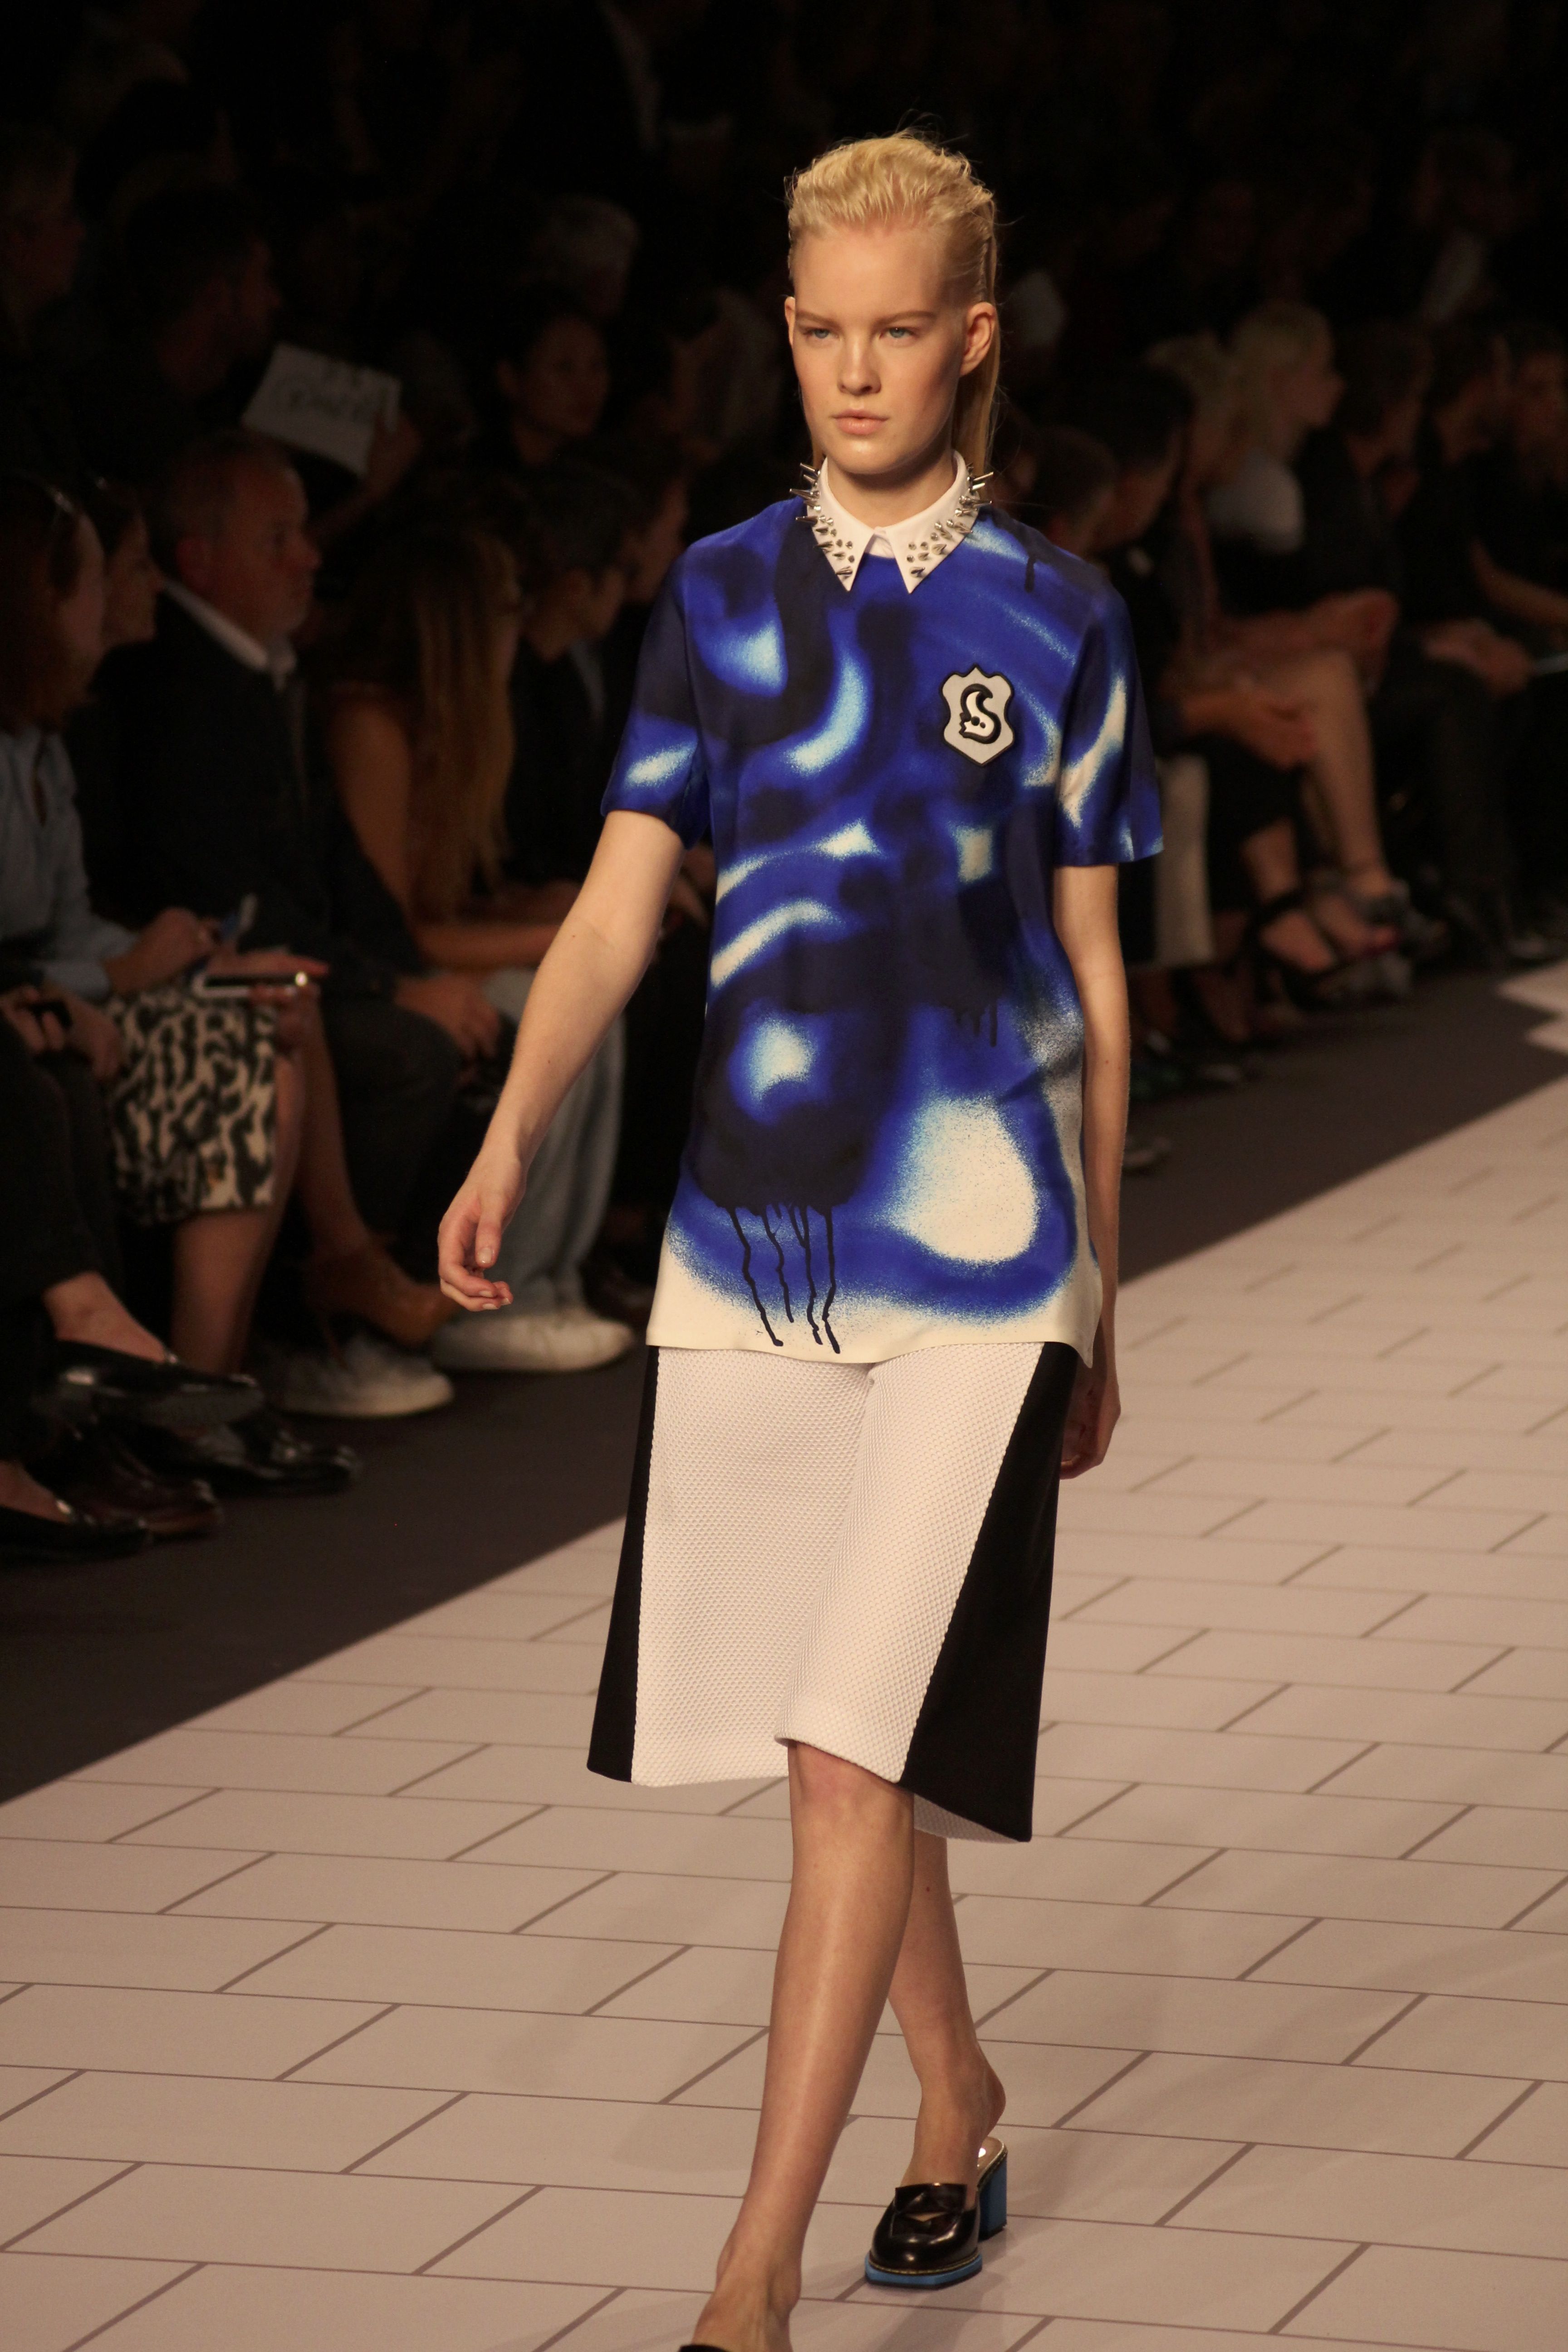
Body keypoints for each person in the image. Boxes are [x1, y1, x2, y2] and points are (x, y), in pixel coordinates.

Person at [440, 132, 1153, 2346]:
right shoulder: (720, 596)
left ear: (968, 338)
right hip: (748, 1241)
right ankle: (957, 2095)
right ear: (787, 331)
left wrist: (1104, 1289)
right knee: (835, 1722)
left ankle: (749, 2277)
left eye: (894, 332)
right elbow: (618, 905)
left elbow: (1094, 971)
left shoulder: (1060, 615)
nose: (854, 371)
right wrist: (509, 1126)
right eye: (820, 331)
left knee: (850, 1748)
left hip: (986, 1250)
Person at [323, 521, 634, 1375]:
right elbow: (393, 928)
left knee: (587, 1008)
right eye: (503, 606)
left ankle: (551, 1277)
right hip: (382, 971)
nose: (519, 622)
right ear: (455, 622)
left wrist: (535, 913)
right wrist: (557, 937)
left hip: (424, 954)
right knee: (553, 1001)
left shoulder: (455, 726)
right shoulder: (372, 727)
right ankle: (504, 1289)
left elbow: (442, 901)